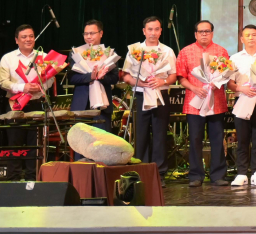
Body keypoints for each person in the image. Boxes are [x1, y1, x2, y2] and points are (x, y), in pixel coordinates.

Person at [119, 17, 177, 180]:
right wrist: (140, 82)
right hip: (140, 94)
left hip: (161, 94)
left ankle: (160, 173)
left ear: (161, 31)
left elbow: (173, 76)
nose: (153, 32)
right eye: (150, 29)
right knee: (141, 134)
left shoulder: (167, 51)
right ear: (144, 31)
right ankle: (141, 171)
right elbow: (126, 75)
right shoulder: (135, 50)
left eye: (157, 29)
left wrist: (162, 81)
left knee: (160, 134)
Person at [176, 20, 230, 186]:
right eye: (201, 31)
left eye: (207, 31)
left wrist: (216, 83)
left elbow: (226, 74)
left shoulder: (221, 51)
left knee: (217, 138)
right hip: (194, 102)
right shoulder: (186, 52)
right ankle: (195, 176)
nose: (204, 34)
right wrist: (194, 87)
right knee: (195, 139)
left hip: (216, 101)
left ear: (212, 33)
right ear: (195, 34)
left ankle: (218, 175)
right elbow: (180, 77)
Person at [0, 25, 55, 178]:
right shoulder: (8, 58)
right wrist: (24, 87)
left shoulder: (43, 56)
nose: (28, 39)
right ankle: (13, 179)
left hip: (37, 104)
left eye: (31, 36)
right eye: (24, 37)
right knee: (14, 144)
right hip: (15, 105)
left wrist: (39, 87)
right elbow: (3, 83)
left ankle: (33, 178)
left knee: (34, 145)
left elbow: (51, 79)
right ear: (16, 40)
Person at [229, 24, 256, 187]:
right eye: (248, 35)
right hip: (242, 100)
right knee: (242, 139)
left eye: (254, 35)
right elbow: (230, 84)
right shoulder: (235, 58)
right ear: (242, 39)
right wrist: (242, 88)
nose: (251, 38)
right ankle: (241, 173)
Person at [68, 19, 119, 132]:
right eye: (86, 34)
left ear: (101, 33)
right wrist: (91, 76)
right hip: (81, 105)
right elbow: (71, 78)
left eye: (92, 33)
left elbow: (115, 78)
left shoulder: (109, 53)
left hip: (103, 106)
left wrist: (102, 77)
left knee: (101, 143)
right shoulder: (76, 53)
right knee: (81, 144)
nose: (88, 36)